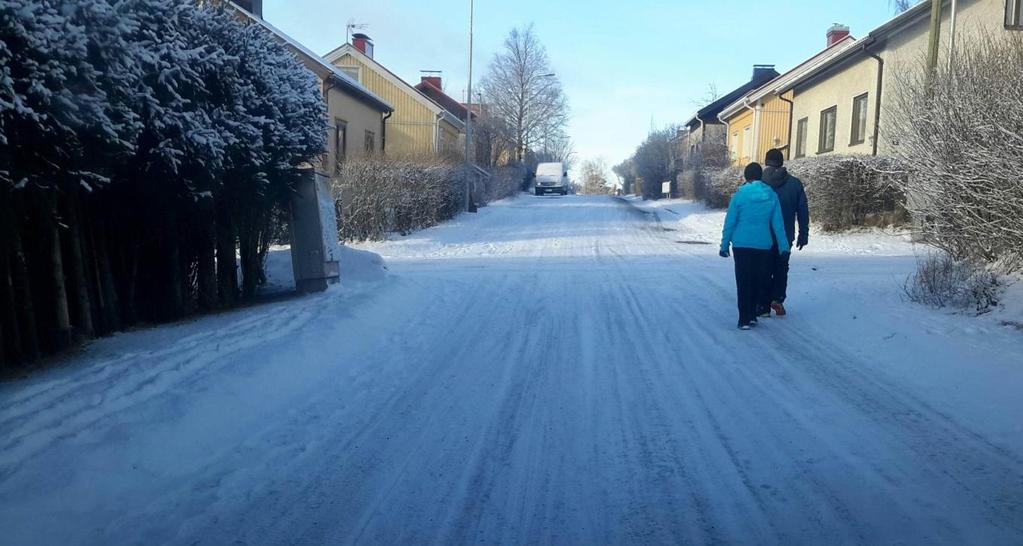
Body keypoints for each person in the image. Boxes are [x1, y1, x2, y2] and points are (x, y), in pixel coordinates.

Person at [720, 162, 790, 330]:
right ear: (761, 176)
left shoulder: (739, 196)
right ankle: (752, 315)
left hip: (741, 245)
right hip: (763, 245)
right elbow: (778, 224)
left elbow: (730, 221)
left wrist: (724, 244)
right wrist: (784, 246)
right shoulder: (771, 195)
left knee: (743, 281)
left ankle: (744, 318)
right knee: (758, 280)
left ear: (746, 176)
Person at [761, 148, 809, 317]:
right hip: (786, 235)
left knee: (764, 269)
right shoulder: (795, 184)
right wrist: (804, 233)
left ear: (766, 162)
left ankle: (763, 306)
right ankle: (778, 298)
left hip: (763, 236)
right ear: (782, 162)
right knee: (781, 267)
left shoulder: (759, 182)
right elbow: (803, 210)